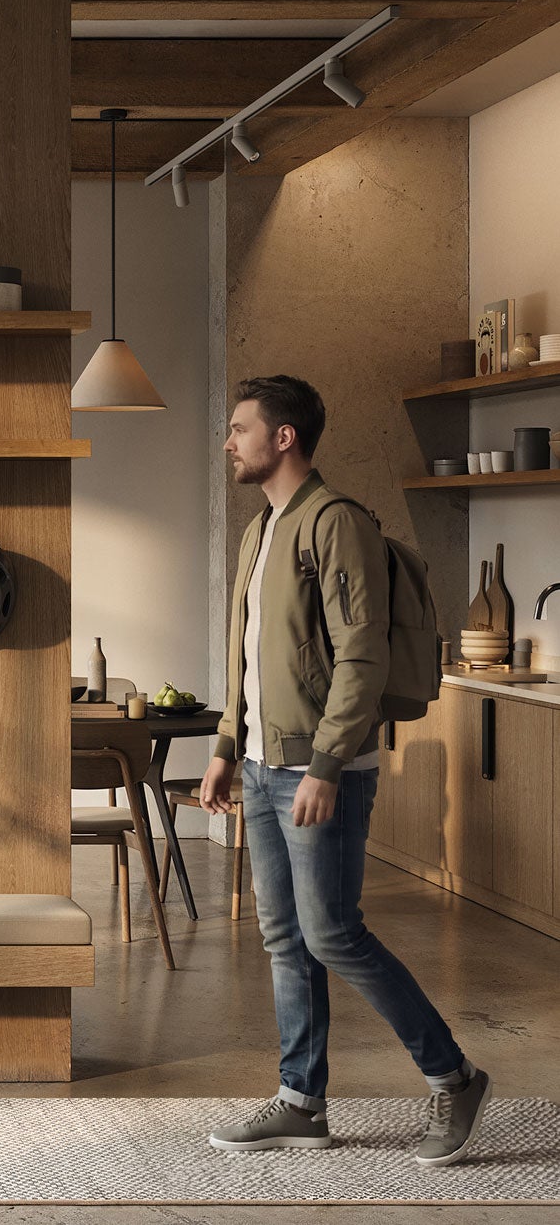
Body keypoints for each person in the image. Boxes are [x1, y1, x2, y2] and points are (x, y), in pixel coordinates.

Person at [199, 375, 490, 1167]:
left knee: (333, 933)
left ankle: (453, 1075)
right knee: (285, 937)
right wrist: (228, 746)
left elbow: (360, 656)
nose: (229, 442)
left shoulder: (337, 524)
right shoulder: (261, 530)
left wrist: (328, 765)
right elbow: (249, 656)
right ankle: (301, 1101)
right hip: (262, 766)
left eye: (240, 429)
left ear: (283, 437)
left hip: (320, 769)